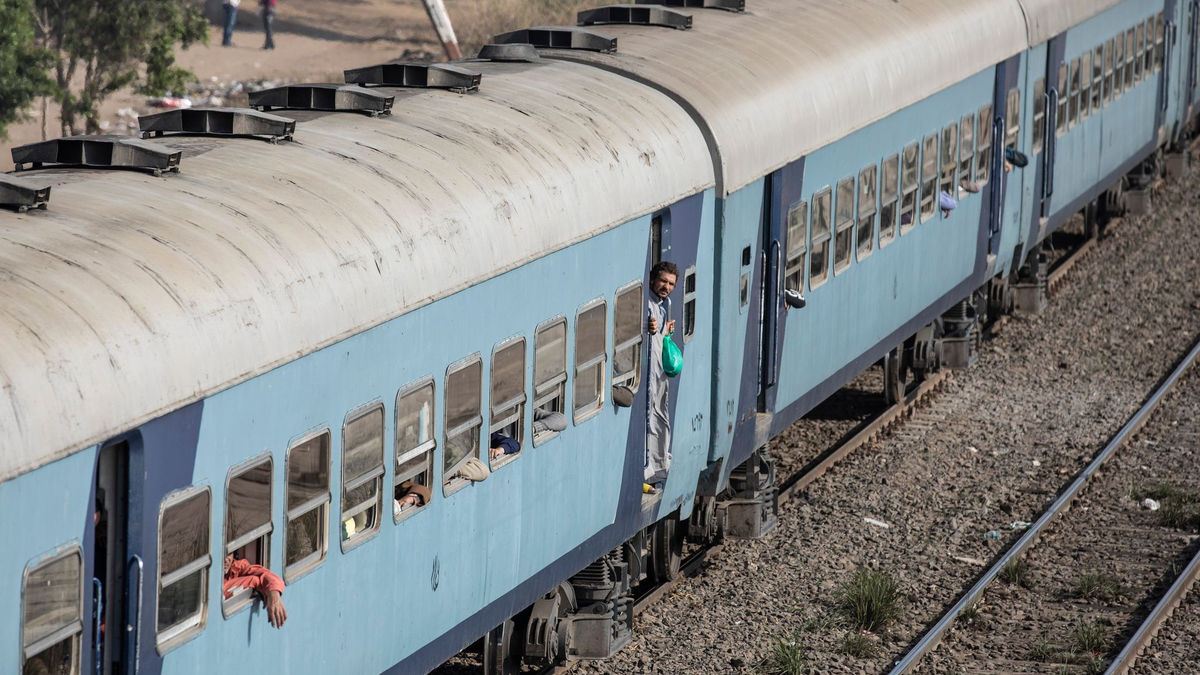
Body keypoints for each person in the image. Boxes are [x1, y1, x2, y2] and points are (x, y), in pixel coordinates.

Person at [645, 261, 678, 493]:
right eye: (663, 281)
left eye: (671, 284)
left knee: (659, 416)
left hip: (658, 376)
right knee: (651, 417)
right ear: (652, 280)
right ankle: (649, 468)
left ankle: (656, 467)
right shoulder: (647, 304)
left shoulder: (662, 305)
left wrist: (664, 331)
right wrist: (646, 326)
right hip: (649, 377)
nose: (667, 287)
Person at [223, 553, 287, 628]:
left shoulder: (236, 567)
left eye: (228, 554)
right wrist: (255, 582)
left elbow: (265, 573)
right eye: (222, 554)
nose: (226, 559)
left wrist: (274, 593)